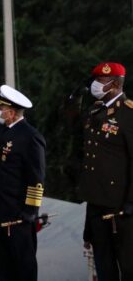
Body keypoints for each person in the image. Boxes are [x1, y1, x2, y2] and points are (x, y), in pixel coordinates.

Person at [0, 85, 46, 281]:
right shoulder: (0, 131)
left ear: (11, 113)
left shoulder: (30, 137)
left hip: (18, 211)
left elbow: (36, 177)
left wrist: (30, 211)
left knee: (23, 264)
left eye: (0, 108)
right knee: (5, 262)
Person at [78, 62, 133, 280]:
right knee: (104, 266)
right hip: (97, 203)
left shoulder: (128, 114)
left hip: (121, 206)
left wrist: (130, 202)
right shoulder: (95, 111)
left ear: (115, 84)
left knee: (128, 267)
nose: (95, 85)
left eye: (100, 81)